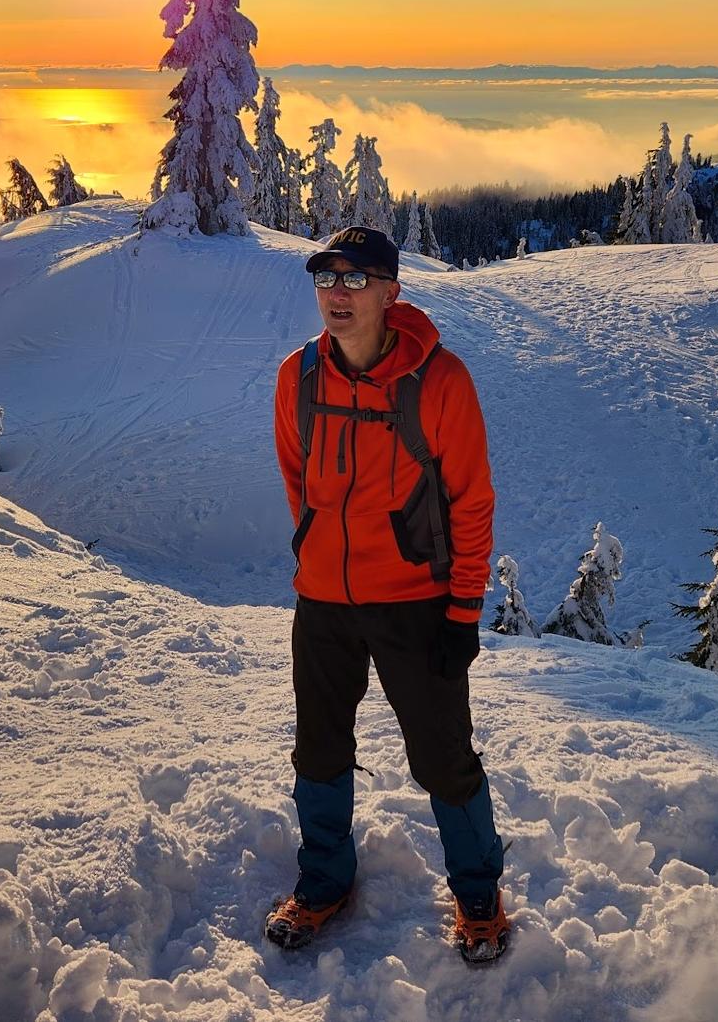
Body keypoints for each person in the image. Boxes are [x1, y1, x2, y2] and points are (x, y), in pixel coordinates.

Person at [265, 225, 510, 963]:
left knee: (442, 757)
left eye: (356, 279)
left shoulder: (440, 381)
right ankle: (323, 883)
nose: (338, 294)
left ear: (390, 293)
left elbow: (472, 502)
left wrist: (462, 611)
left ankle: (477, 893)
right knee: (318, 750)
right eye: (326, 278)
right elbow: (297, 481)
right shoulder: (297, 378)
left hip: (415, 606)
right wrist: (318, 560)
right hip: (325, 605)